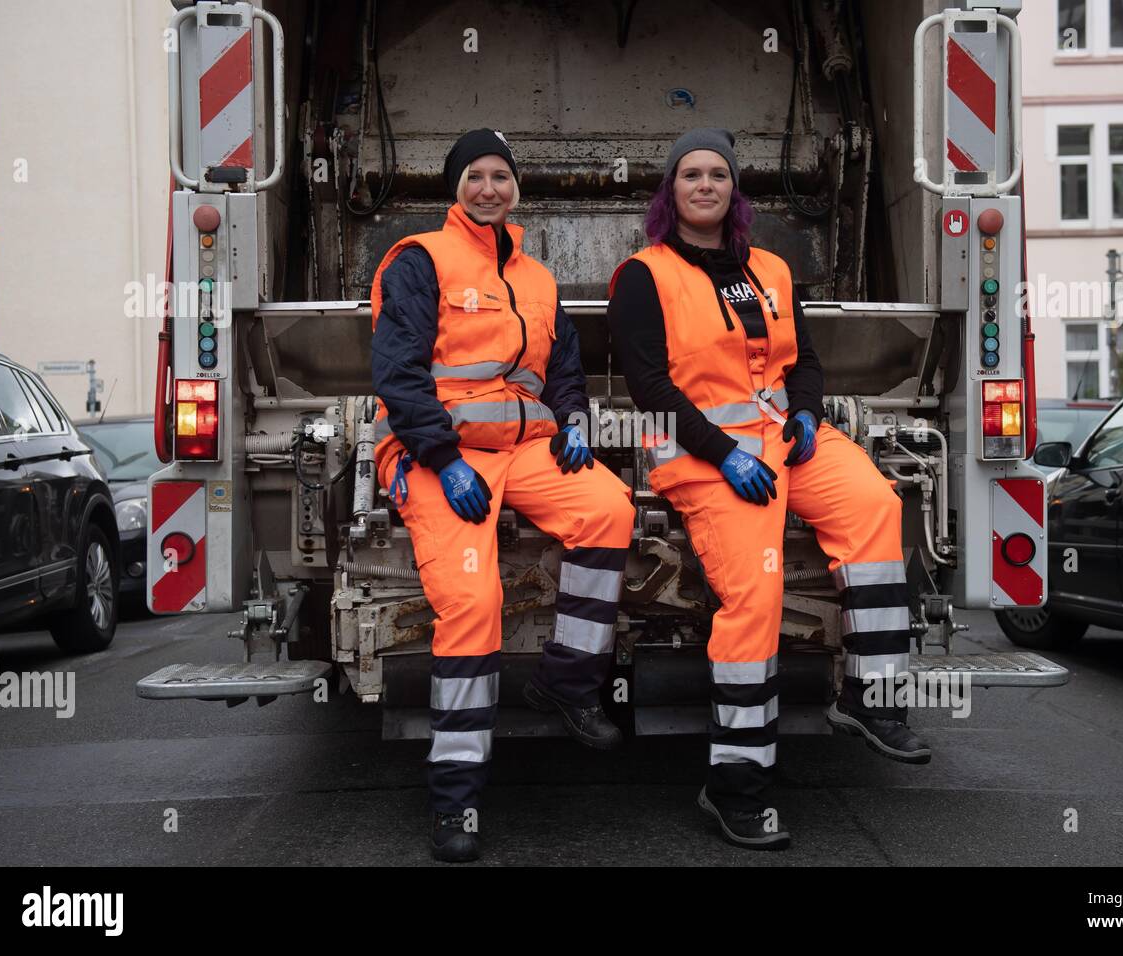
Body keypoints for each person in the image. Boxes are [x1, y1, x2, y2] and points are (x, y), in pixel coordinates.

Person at [607, 127, 929, 851]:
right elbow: (649, 387)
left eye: (718, 174)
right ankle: (736, 785)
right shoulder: (643, 276)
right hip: (705, 457)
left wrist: (808, 416)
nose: (705, 185)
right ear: (670, 191)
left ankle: (871, 698)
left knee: (875, 506)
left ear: (734, 189)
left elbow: (803, 361)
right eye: (691, 174)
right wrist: (725, 454)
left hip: (786, 442)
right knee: (755, 594)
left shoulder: (771, 270)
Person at [371, 129, 636, 863]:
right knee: (472, 603)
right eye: (475, 176)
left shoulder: (539, 278)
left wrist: (575, 421)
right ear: (454, 187)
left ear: (515, 188)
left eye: (500, 176)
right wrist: (440, 457)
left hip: (525, 449)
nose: (488, 188)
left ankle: (568, 682)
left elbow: (564, 373)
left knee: (610, 510)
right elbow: (397, 373)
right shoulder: (420, 260)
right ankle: (456, 799)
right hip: (441, 453)